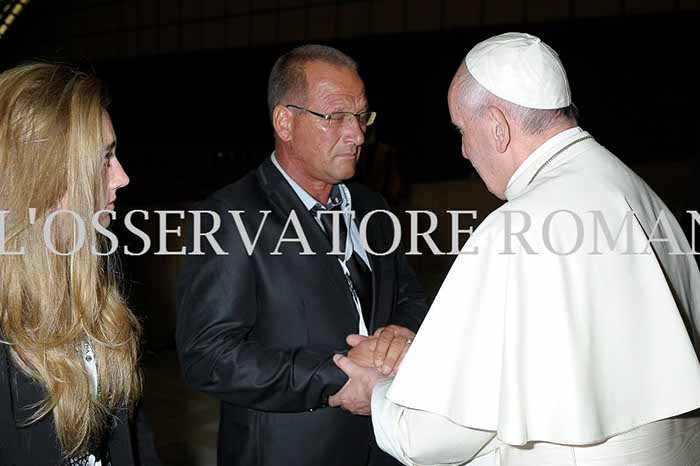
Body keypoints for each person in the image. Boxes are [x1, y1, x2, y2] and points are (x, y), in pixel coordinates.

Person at [330, 32, 700, 465]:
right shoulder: (638, 193)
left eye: (462, 131)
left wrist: (378, 395)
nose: (465, 151)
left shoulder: (514, 229)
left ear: (497, 127)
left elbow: (435, 438)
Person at [176, 45, 428, 466]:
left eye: (362, 116)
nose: (357, 134)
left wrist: (400, 333)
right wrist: (335, 378)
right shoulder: (229, 216)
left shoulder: (373, 208)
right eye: (336, 117)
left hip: (385, 442)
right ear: (284, 122)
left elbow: (409, 297)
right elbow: (208, 355)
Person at [0, 63, 160, 465]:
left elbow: (130, 427)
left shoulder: (97, 266)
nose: (122, 177)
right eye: (104, 159)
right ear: (43, 173)